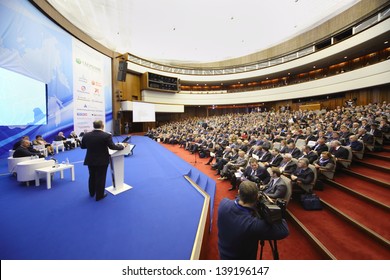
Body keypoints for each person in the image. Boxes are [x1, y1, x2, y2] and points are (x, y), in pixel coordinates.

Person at [217, 180, 289, 260]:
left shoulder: (223, 203)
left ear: (239, 192)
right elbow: (283, 230)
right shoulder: (254, 225)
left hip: (223, 255)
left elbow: (235, 201)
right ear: (256, 197)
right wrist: (272, 207)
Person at [81, 120, 127, 201]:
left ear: (93, 125)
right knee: (100, 178)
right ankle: (99, 195)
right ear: (102, 126)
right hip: (102, 160)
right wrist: (121, 147)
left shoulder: (86, 135)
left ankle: (92, 193)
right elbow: (112, 147)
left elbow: (83, 147)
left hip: (90, 160)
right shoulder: (106, 135)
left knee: (92, 176)